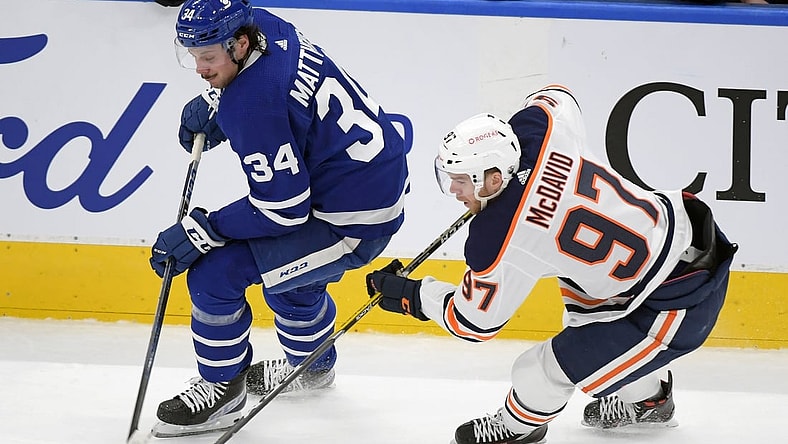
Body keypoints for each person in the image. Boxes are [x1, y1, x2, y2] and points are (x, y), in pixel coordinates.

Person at [366, 85, 737, 444]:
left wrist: (414, 295)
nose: (453, 191)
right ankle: (648, 400)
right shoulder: (542, 128)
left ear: (494, 178)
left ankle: (517, 428)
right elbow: (557, 95)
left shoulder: (502, 235)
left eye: (461, 181)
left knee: (540, 369)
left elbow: (473, 322)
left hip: (677, 305)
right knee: (585, 313)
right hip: (688, 235)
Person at [148, 0, 410, 436]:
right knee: (290, 282)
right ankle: (312, 366)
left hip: (350, 221)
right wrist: (217, 100)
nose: (200, 69)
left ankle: (222, 390)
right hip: (373, 181)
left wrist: (204, 230)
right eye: (193, 57)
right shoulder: (268, 24)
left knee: (215, 274)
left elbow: (283, 209)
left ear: (239, 44)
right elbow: (287, 103)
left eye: (208, 57)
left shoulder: (253, 107)